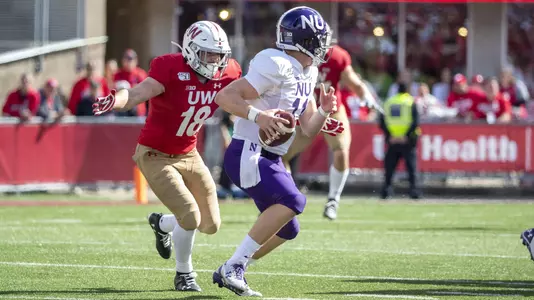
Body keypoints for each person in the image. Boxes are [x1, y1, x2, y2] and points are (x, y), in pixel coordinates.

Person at [92, 20, 241, 292]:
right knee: (191, 216)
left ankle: (162, 224)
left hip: (190, 153)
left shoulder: (228, 73)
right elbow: (138, 93)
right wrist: (117, 100)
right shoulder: (170, 68)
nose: (215, 61)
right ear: (191, 50)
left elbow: (245, 99)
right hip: (155, 154)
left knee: (211, 225)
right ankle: (184, 273)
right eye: (208, 54)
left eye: (219, 55)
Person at [211, 6, 340, 296]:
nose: (323, 46)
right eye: (318, 40)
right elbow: (225, 96)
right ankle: (234, 266)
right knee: (294, 199)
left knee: (288, 229)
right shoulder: (275, 64)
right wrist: (260, 116)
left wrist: (324, 113)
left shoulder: (308, 71)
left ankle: (231, 266)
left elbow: (307, 128)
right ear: (305, 41)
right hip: (247, 151)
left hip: (270, 156)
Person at [282, 44, 376, 220]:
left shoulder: (336, 56)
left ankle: (333, 199)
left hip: (332, 110)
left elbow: (354, 82)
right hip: (305, 112)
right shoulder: (293, 55)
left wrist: (366, 97)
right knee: (280, 155)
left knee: (341, 151)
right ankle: (283, 199)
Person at [379, 83, 421, 200]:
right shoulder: (410, 101)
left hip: (392, 140)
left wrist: (390, 135)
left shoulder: (389, 102)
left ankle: (386, 190)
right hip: (407, 141)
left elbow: (382, 121)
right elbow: (415, 121)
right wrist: (405, 136)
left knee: (389, 167)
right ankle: (413, 191)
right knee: (411, 168)